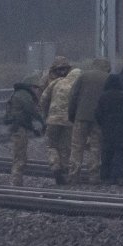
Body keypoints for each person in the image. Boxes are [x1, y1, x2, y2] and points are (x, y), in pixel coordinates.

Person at [67, 57, 111, 184]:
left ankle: (73, 176)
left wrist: (72, 115)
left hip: (81, 116)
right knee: (95, 147)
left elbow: (73, 96)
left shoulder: (83, 76)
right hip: (98, 119)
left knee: (77, 147)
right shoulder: (107, 78)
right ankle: (94, 176)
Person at [40, 57, 81, 185]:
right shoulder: (76, 84)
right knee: (65, 147)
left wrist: (45, 115)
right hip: (69, 121)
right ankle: (64, 171)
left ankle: (55, 166)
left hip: (53, 120)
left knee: (51, 145)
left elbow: (43, 99)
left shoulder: (55, 82)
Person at [95, 74, 123, 185]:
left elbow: (98, 114)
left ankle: (105, 176)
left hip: (107, 129)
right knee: (120, 154)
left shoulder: (104, 96)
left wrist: (102, 124)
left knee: (107, 153)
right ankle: (117, 177)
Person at [4, 74, 45, 186]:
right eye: (36, 88)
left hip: (18, 128)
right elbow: (31, 110)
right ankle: (16, 181)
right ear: (31, 86)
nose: (38, 91)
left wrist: (33, 128)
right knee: (20, 156)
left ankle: (17, 181)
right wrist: (42, 121)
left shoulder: (19, 94)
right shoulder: (24, 95)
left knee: (20, 155)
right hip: (19, 129)